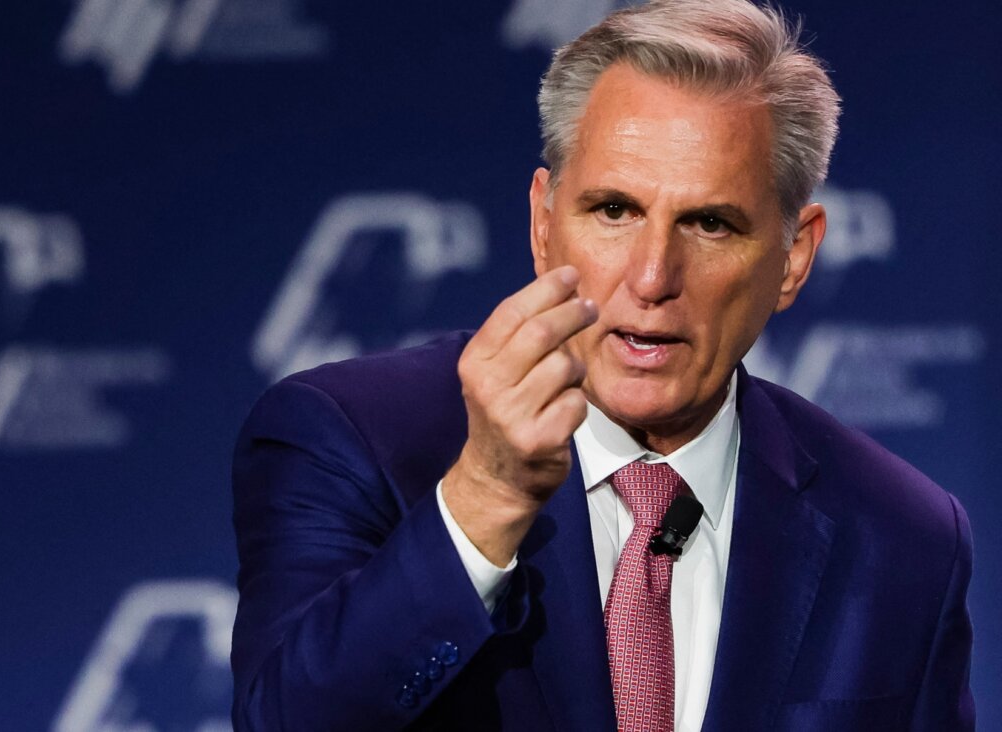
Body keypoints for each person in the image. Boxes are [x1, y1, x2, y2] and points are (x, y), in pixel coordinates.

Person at [230, 0, 974, 729]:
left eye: (710, 224)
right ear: (543, 223)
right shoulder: (352, 440)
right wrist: (486, 496)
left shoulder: (903, 535)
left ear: (794, 257)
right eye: (614, 211)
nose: (652, 278)